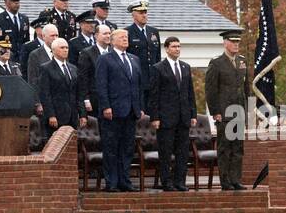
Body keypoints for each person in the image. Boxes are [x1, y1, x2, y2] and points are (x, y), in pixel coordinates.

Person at [94, 28, 145, 192]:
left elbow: (138, 86)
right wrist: (106, 106)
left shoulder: (134, 59)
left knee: (127, 148)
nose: (125, 39)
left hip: (130, 111)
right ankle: (112, 182)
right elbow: (101, 85)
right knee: (111, 148)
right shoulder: (105, 59)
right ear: (113, 40)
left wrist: (140, 107)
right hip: (113, 112)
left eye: (127, 37)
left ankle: (125, 180)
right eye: (122, 37)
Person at [148, 36, 198, 191]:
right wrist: (154, 117)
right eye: (174, 46)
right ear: (167, 49)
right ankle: (167, 182)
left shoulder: (185, 67)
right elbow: (154, 95)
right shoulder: (158, 68)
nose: (177, 49)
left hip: (183, 117)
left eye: (179, 46)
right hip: (165, 118)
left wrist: (193, 114)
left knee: (182, 152)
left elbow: (190, 93)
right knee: (166, 152)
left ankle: (180, 182)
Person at [205, 28, 250, 191]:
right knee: (225, 148)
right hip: (224, 112)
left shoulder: (242, 61)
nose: (236, 44)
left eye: (238, 42)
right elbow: (210, 90)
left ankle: (236, 179)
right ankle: (225, 181)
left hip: (239, 111)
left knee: (238, 148)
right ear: (225, 43)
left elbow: (246, 87)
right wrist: (215, 112)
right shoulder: (216, 63)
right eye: (233, 41)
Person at [35, 38, 84, 135]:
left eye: (67, 47)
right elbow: (45, 94)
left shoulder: (73, 68)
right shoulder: (46, 68)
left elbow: (78, 93)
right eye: (62, 48)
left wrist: (82, 114)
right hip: (56, 115)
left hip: (72, 116)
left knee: (71, 145)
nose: (65, 50)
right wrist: (51, 115)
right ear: (53, 50)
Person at [125, 0, 162, 109]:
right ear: (133, 14)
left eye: (145, 12)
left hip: (153, 81)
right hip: (137, 81)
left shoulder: (153, 32)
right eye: (141, 13)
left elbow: (157, 56)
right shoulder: (127, 32)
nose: (144, 15)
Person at [78, 22, 113, 119]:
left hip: (112, 99)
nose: (108, 36)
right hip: (94, 99)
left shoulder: (113, 52)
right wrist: (86, 99)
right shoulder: (87, 53)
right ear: (96, 36)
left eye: (109, 33)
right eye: (105, 33)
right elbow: (83, 78)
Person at [0, 0, 31, 70]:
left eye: (18, 1)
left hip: (23, 61)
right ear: (6, 2)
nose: (17, 4)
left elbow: (26, 41)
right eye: (14, 1)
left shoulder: (24, 19)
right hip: (7, 60)